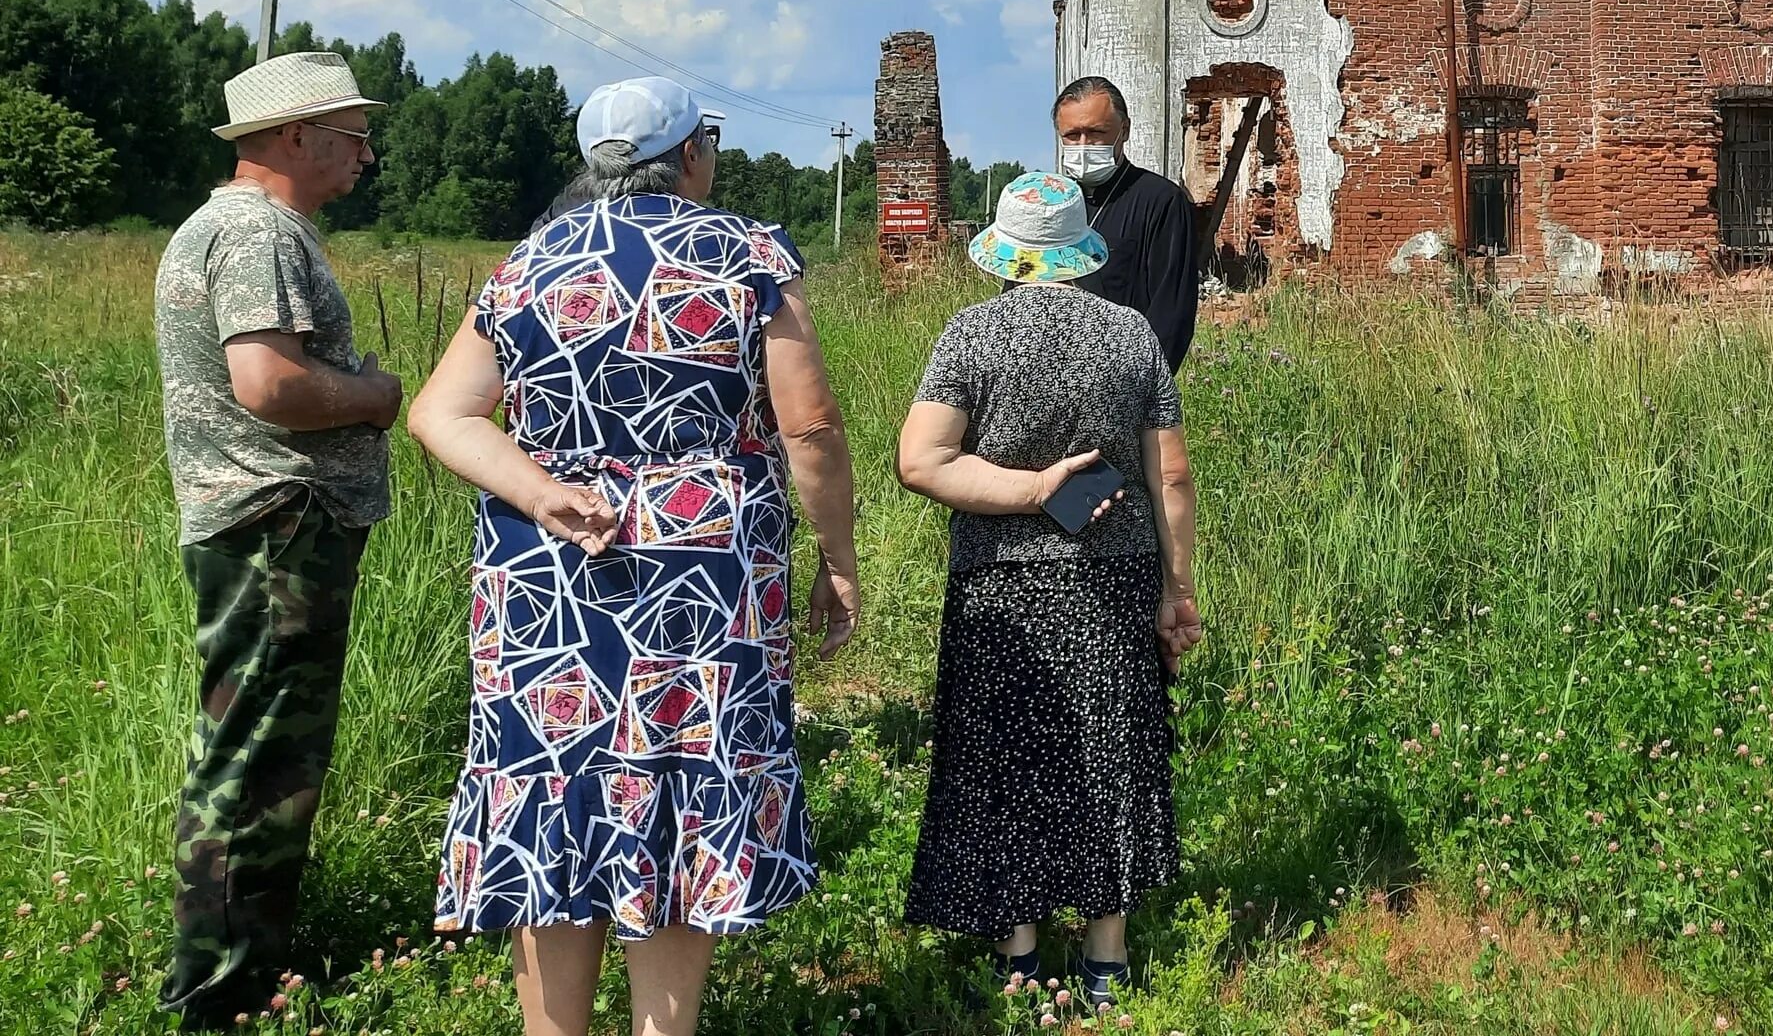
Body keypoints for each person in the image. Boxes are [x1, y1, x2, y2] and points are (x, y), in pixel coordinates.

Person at [407, 77, 864, 1036]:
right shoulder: (743, 250)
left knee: (551, 794)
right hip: (703, 586)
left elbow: (441, 414)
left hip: (546, 584)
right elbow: (809, 425)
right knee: (680, 786)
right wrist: (836, 557)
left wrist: (539, 491)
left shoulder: (526, 263)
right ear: (692, 155)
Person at [897, 171, 1203, 1007]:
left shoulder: (970, 334)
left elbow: (921, 460)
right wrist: (1177, 589)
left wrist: (1027, 491)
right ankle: (1106, 965)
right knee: (1110, 754)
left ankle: (1020, 959)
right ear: (1079, 252)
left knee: (1004, 760)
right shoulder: (1132, 336)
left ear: (1004, 250)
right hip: (1114, 577)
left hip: (1001, 586)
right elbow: (1168, 475)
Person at [153, 50, 405, 1028]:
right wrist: (377, 397)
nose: (367, 154)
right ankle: (219, 995)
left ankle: (245, 967)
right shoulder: (258, 234)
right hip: (278, 521)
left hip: (273, 523)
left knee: (258, 751)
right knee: (259, 755)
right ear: (295, 137)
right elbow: (271, 385)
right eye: (353, 136)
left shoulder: (238, 227)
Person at [1052, 75, 1200, 374]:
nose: (1083, 145)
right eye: (1072, 135)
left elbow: (1171, 313)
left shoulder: (1161, 201)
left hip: (1122, 379)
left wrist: (1141, 389)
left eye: (1096, 133)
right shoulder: (1051, 201)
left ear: (1125, 130)